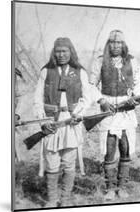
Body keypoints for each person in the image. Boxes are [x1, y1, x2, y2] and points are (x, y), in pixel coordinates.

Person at [34, 37, 109, 207]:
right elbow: (37, 99)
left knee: (69, 162)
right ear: (54, 52)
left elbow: (87, 97)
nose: (61, 55)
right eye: (58, 51)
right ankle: (52, 200)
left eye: (64, 51)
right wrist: (43, 121)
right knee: (52, 163)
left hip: (71, 123)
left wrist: (77, 114)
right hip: (51, 122)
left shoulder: (80, 72)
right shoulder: (46, 72)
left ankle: (65, 199)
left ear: (71, 52)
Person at [90, 30, 140, 200]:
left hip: (126, 110)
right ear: (108, 44)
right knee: (109, 148)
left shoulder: (132, 61)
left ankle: (122, 186)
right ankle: (110, 188)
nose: (115, 45)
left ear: (124, 44)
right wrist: (101, 100)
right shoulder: (100, 61)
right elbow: (91, 85)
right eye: (112, 42)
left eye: (119, 42)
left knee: (125, 147)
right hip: (108, 111)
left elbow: (139, 83)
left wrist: (136, 96)